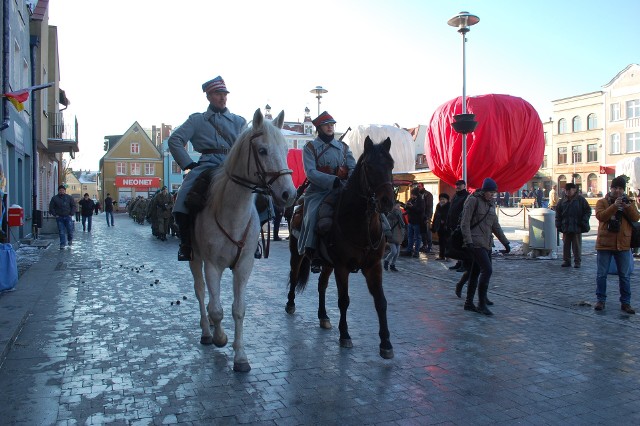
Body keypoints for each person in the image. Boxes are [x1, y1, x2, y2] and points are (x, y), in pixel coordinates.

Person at [169, 76, 246, 261]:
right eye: (218, 94)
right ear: (209, 96)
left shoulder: (239, 121)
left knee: (262, 198)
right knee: (184, 197)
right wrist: (188, 164)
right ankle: (186, 244)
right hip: (208, 164)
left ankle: (253, 241)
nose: (222, 98)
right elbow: (175, 140)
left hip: (233, 165)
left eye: (224, 94)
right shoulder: (197, 120)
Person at [297, 111, 356, 269]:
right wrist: (333, 180)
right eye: (326, 124)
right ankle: (313, 252)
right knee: (315, 214)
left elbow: (353, 168)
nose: (330, 126)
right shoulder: (310, 148)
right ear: (319, 127)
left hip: (342, 189)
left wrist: (349, 183)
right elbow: (311, 172)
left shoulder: (343, 147)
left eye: (332, 124)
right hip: (318, 191)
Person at [460, 178, 510, 315]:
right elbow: (465, 223)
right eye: (490, 192)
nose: (492, 195)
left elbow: (495, 226)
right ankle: (481, 304)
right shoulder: (473, 200)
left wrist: (505, 242)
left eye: (494, 193)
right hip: (475, 243)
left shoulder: (491, 204)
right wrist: (468, 241)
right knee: (487, 270)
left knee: (476, 272)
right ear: (484, 190)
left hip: (486, 242)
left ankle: (469, 303)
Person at [594, 176, 640, 314]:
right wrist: (614, 206)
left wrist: (627, 207)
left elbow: (636, 217)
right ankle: (600, 300)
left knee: (624, 275)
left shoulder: (628, 202)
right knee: (602, 274)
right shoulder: (602, 202)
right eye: (615, 188)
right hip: (605, 243)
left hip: (623, 244)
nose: (618, 191)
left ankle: (625, 303)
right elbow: (601, 216)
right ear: (611, 188)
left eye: (621, 188)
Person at [555, 182, 591, 268]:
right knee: (566, 245)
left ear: (574, 190)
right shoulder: (562, 201)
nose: (567, 192)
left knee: (577, 245)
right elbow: (558, 214)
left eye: (569, 190)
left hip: (577, 226)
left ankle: (577, 261)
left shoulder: (580, 200)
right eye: (566, 190)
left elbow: (588, 211)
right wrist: (558, 224)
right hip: (566, 226)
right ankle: (566, 260)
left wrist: (584, 220)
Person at [447, 179, 470, 272]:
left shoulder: (467, 196)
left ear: (464, 186)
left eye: (460, 185)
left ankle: (464, 264)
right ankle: (459, 262)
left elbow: (465, 212)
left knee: (462, 246)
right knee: (456, 245)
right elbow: (451, 210)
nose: (458, 186)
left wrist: (461, 224)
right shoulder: (455, 195)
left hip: (461, 225)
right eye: (457, 185)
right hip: (453, 224)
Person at [49, 185, 77, 250]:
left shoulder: (69, 198)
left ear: (65, 191)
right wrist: (55, 214)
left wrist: (71, 213)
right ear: (58, 191)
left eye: (63, 190)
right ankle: (62, 244)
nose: (61, 191)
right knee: (61, 231)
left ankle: (70, 240)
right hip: (59, 217)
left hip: (68, 216)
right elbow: (51, 207)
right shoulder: (54, 198)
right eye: (60, 190)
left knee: (70, 230)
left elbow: (73, 206)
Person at [402, 187, 425, 258]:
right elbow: (407, 208)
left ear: (416, 194)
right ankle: (409, 250)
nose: (412, 196)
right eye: (411, 194)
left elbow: (420, 210)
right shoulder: (411, 200)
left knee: (417, 237)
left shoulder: (421, 201)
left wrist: (412, 207)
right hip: (410, 221)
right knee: (410, 237)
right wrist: (405, 206)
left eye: (413, 195)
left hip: (417, 222)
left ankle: (416, 252)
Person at [384, 200, 405, 272]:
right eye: (397, 206)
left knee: (397, 253)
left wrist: (403, 234)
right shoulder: (390, 216)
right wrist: (388, 234)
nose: (398, 208)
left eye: (399, 206)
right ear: (393, 206)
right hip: (392, 236)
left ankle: (393, 265)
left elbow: (402, 226)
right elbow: (387, 226)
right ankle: (386, 261)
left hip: (398, 236)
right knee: (394, 251)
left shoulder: (400, 216)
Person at [431, 193, 451, 260]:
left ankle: (448, 256)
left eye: (443, 199)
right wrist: (433, 226)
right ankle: (441, 255)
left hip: (447, 226)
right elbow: (435, 216)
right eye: (441, 199)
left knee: (447, 241)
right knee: (441, 241)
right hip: (439, 226)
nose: (442, 200)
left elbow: (450, 216)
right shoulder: (438, 205)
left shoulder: (449, 206)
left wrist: (444, 220)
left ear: (447, 200)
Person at [419, 184, 434, 254]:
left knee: (428, 231)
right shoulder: (419, 194)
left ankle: (429, 246)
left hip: (426, 216)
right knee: (422, 232)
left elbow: (429, 206)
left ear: (422, 186)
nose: (418, 188)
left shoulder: (428, 194)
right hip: (420, 216)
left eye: (419, 186)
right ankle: (424, 245)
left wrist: (428, 216)